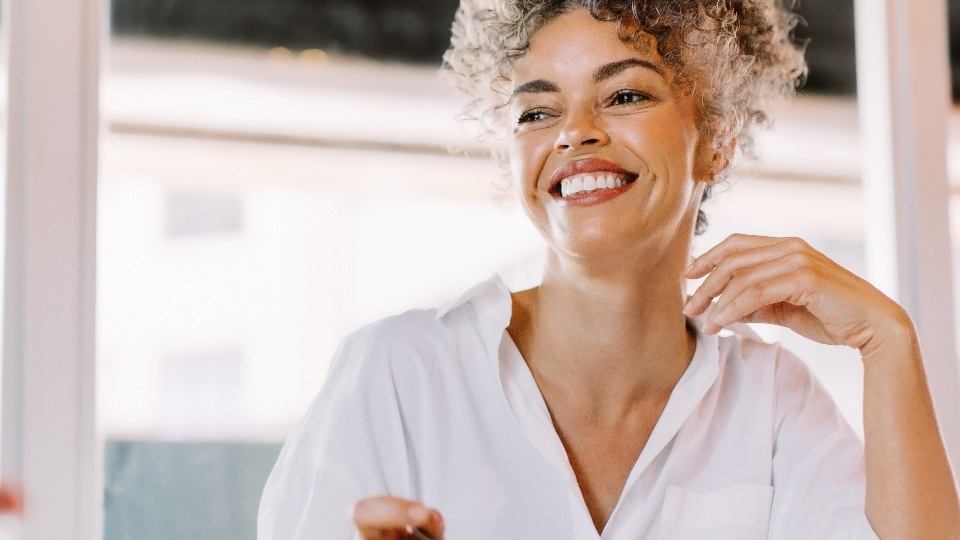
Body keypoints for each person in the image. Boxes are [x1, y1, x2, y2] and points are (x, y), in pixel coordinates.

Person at [258, 1, 960, 538]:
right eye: (538, 110)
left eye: (624, 96)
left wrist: (887, 340)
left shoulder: (773, 404)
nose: (574, 132)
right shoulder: (398, 374)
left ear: (715, 139)